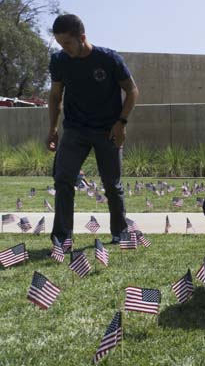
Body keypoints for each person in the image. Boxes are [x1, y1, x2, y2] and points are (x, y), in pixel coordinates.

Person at [47, 14, 139, 245]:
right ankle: (62, 238)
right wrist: (52, 128)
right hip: (75, 130)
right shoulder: (59, 60)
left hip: (107, 130)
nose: (64, 48)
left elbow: (132, 91)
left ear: (82, 37)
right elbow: (56, 95)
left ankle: (120, 233)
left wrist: (122, 123)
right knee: (63, 180)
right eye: (60, 44)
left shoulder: (109, 59)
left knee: (111, 184)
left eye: (67, 43)